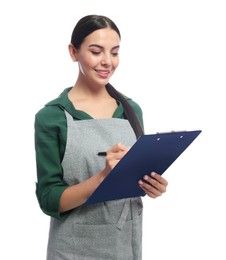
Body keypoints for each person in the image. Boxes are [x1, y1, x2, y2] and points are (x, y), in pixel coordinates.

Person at [34, 14, 168, 260]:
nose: (107, 61)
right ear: (73, 52)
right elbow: (48, 198)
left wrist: (151, 184)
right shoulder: (52, 117)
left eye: (114, 52)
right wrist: (103, 177)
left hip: (126, 244)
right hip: (73, 249)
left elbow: (133, 177)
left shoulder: (131, 110)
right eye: (96, 51)